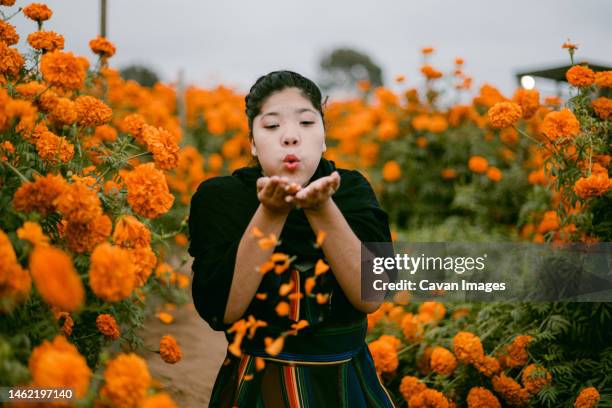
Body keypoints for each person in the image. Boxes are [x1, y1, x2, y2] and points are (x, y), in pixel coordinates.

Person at [188, 70, 396, 407]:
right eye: (271, 126)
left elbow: (371, 297)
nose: (290, 137)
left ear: (324, 137)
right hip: (257, 386)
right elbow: (222, 311)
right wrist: (271, 213)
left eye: (306, 123)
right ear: (253, 143)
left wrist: (321, 209)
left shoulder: (352, 191)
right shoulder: (220, 199)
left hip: (346, 385)